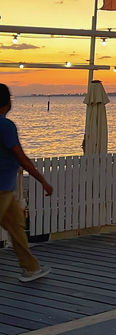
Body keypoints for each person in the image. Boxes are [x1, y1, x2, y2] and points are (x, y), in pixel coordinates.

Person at [0, 84, 53, 282]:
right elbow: (21, 157)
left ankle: (30, 268)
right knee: (17, 229)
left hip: (7, 190)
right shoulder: (5, 126)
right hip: (1, 190)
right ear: (7, 102)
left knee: (17, 228)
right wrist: (43, 181)